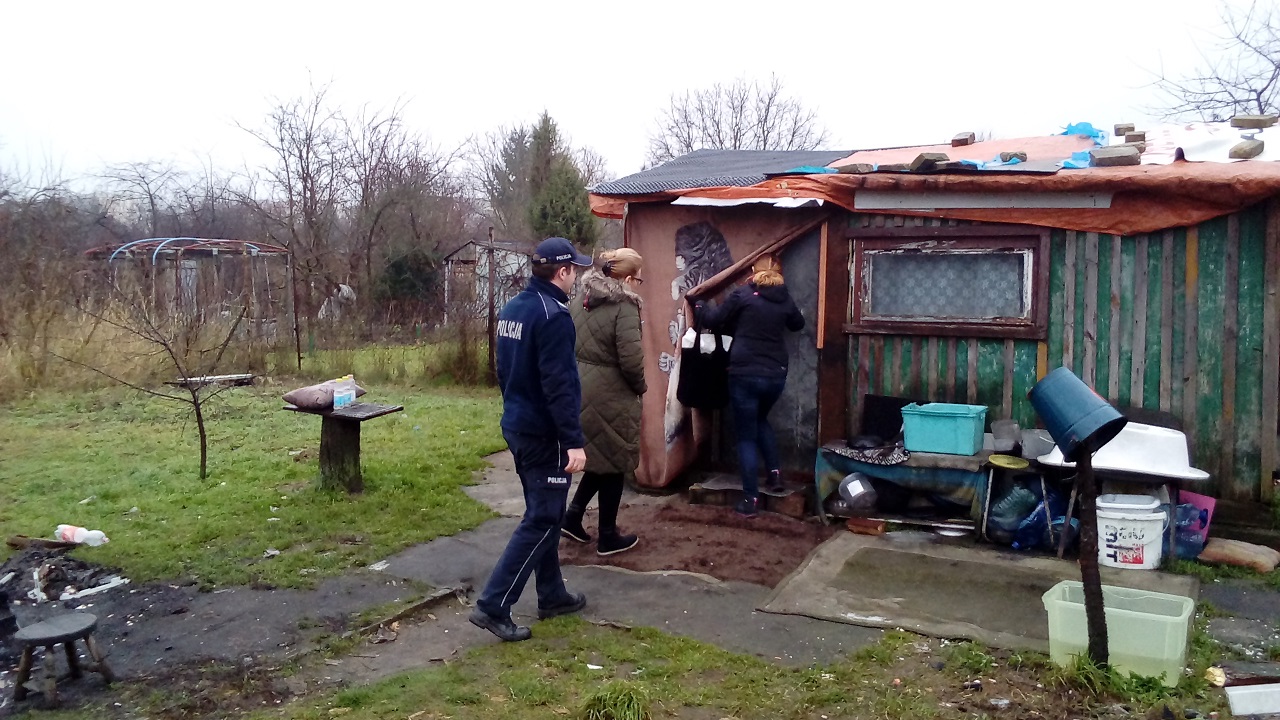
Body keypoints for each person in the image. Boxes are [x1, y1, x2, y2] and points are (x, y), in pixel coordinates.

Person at [469, 236, 593, 642]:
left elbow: (504, 371)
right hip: (545, 434)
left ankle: (552, 594)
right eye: (574, 270)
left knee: (546, 513)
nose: (576, 277)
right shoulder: (554, 316)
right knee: (542, 518)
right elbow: (560, 385)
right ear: (563, 272)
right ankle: (493, 605)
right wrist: (572, 441)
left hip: (518, 425)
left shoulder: (514, 308)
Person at [694, 253, 805, 518]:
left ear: (754, 271)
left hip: (744, 373)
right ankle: (775, 475)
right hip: (775, 375)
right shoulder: (784, 298)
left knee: (745, 435)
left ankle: (750, 498)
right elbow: (797, 324)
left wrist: (700, 306)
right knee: (760, 420)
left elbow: (714, 320)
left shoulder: (743, 295)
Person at [562, 248, 646, 556]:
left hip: (581, 387)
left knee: (600, 457)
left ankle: (572, 517)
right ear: (627, 278)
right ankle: (608, 537)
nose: (639, 286)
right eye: (638, 279)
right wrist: (641, 387)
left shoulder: (580, 300)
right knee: (615, 463)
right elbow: (631, 360)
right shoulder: (624, 307)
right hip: (612, 394)